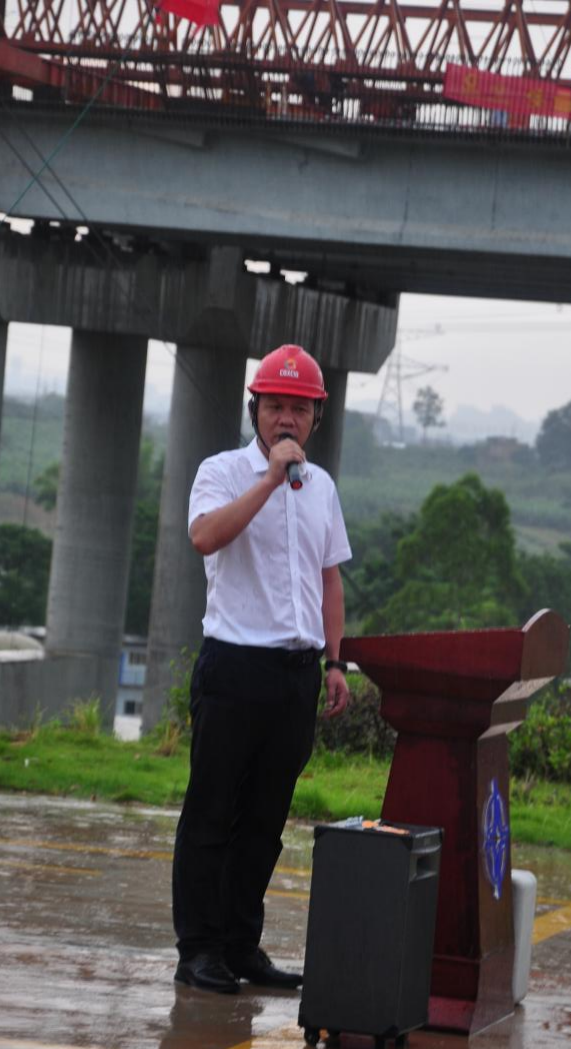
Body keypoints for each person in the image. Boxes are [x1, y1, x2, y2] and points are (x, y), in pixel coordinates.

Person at [172, 344, 352, 994]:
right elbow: (204, 537)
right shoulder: (222, 471)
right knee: (212, 813)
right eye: (275, 405)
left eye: (299, 409)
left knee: (264, 820)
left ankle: (241, 945)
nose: (287, 419)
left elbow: (328, 578)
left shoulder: (322, 487)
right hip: (233, 668)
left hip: (295, 674)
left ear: (314, 419)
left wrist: (335, 661)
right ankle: (198, 949)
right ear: (256, 409)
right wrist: (269, 479)